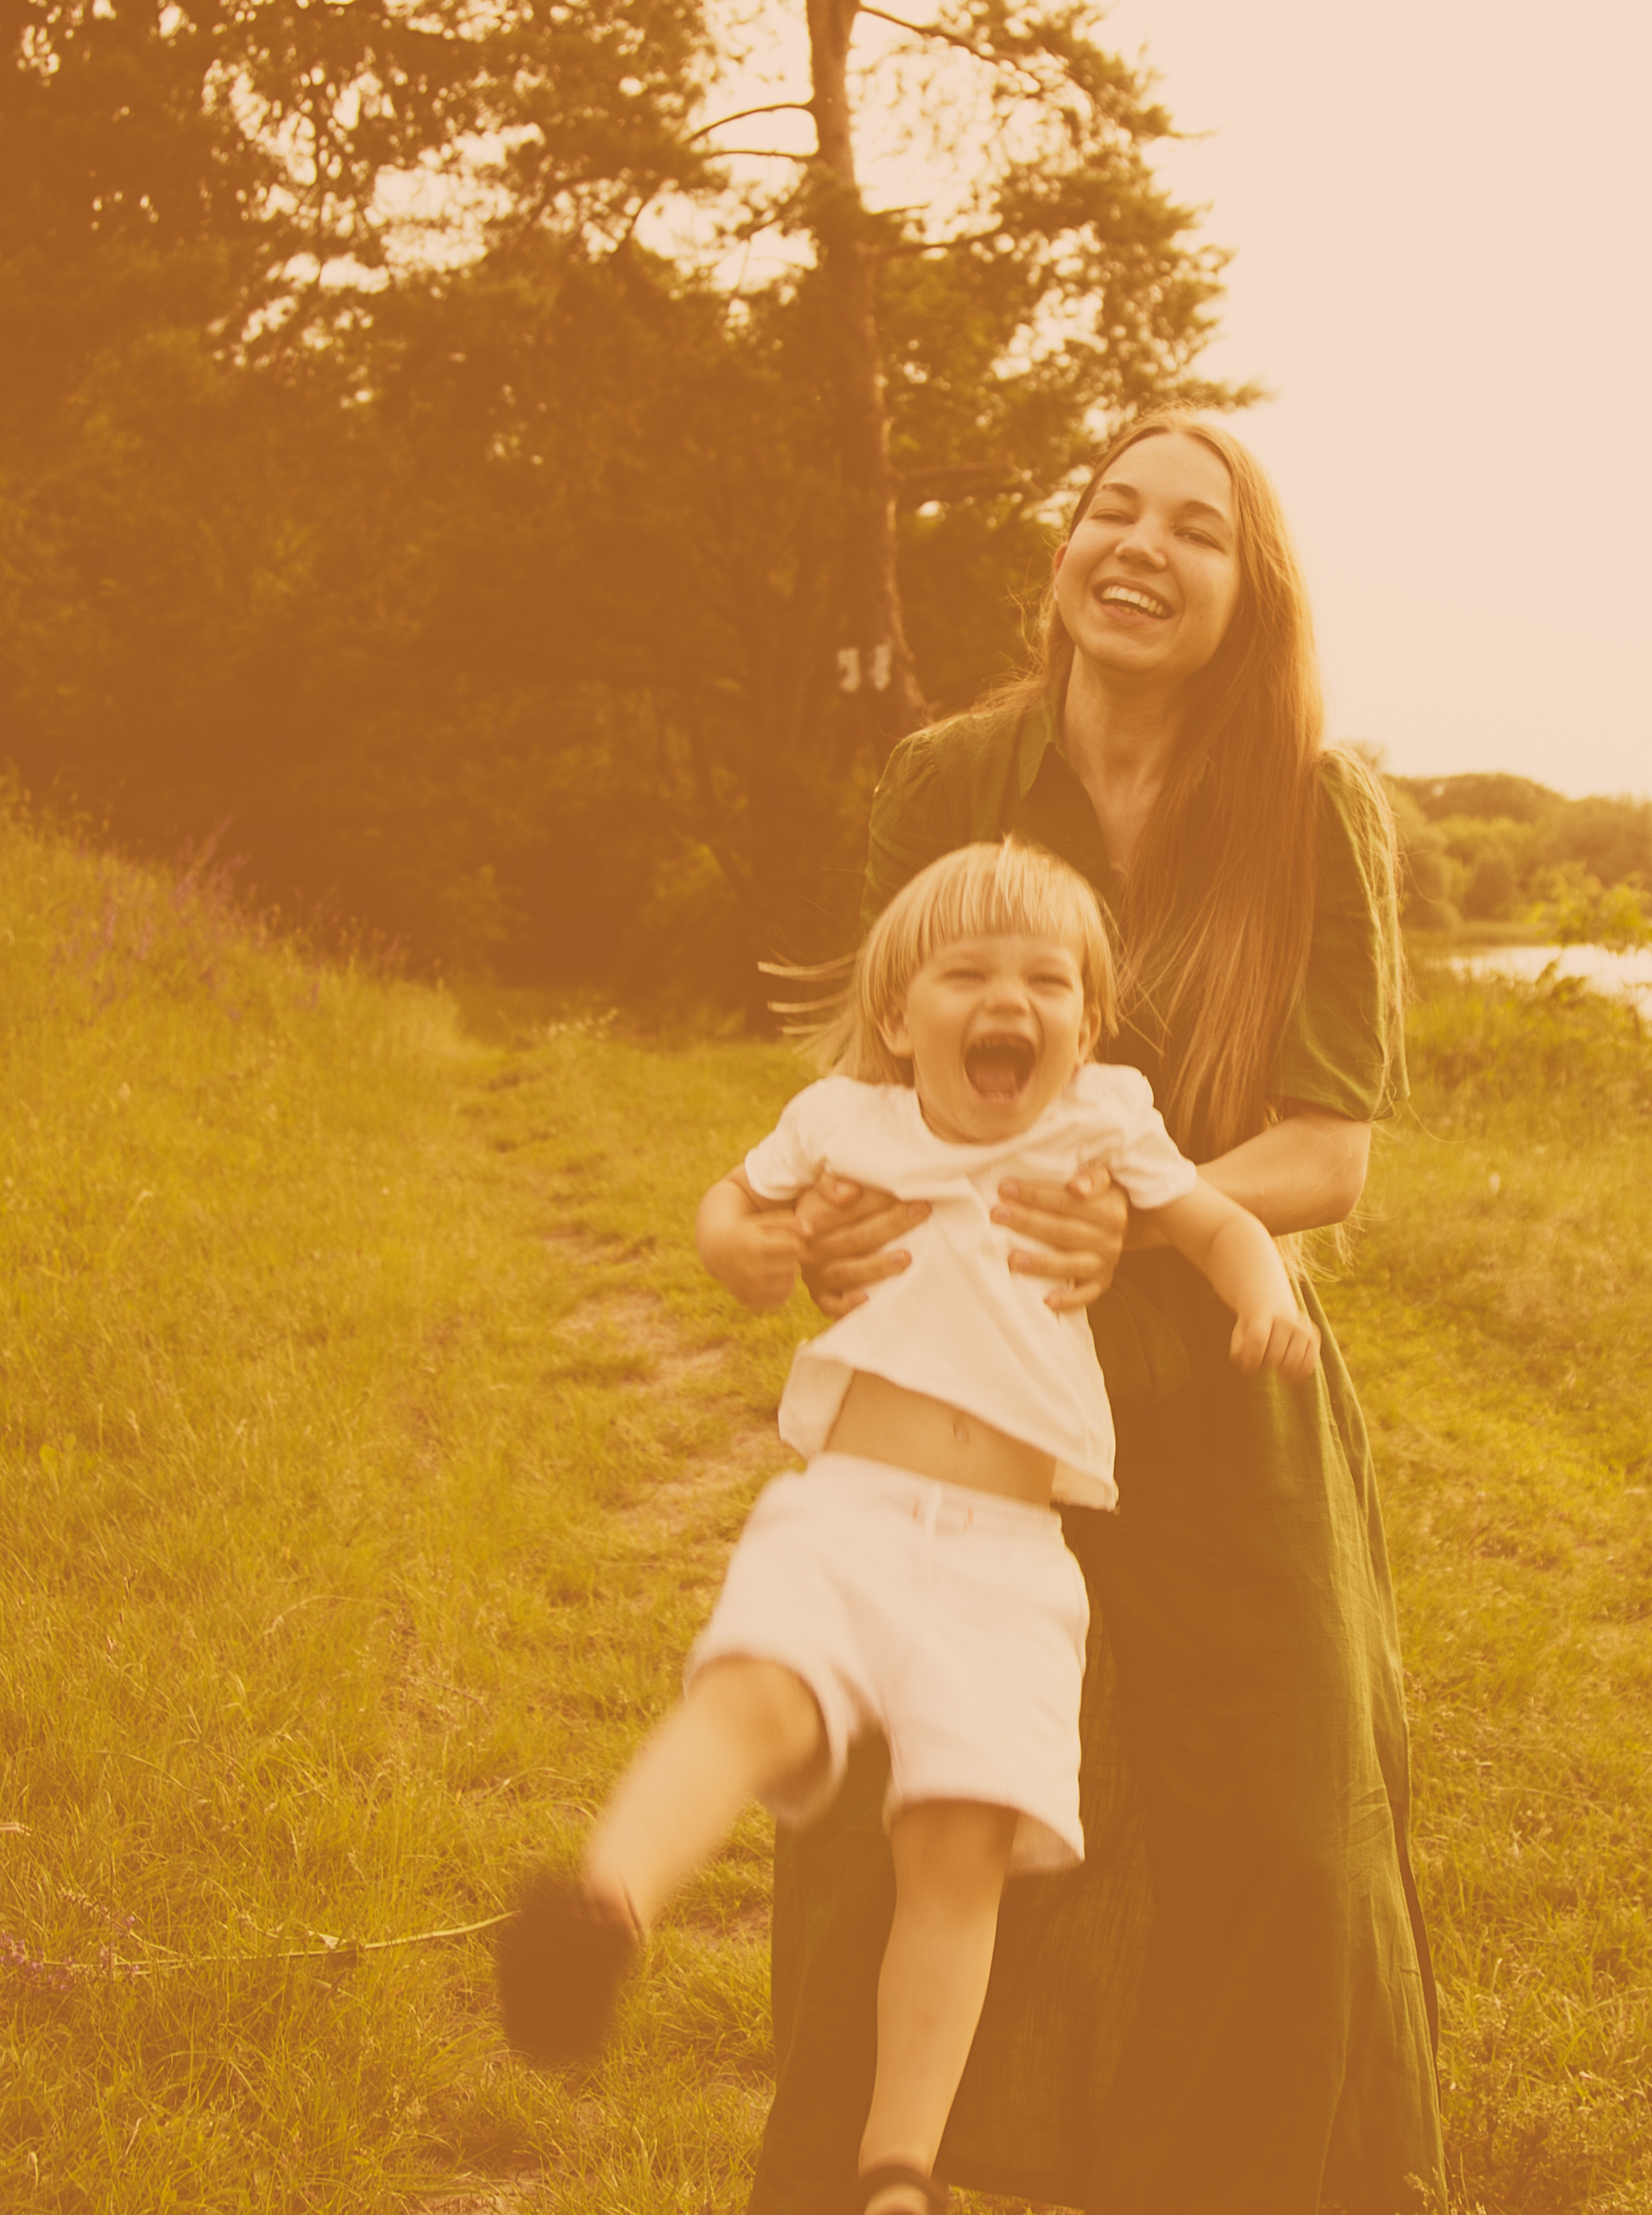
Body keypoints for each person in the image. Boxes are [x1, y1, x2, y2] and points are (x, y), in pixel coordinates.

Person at [704, 410, 1445, 2213]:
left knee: (1276, 1835)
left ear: (1247, 596)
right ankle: (864, 2187)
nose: (1142, 545)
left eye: (1196, 530)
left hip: (1216, 1374)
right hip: (959, 1390)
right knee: (891, 1833)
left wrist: (1136, 1211)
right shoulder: (950, 775)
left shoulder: (1311, 806)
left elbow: (1328, 1157)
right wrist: (826, 1224)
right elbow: (886, 1057)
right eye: (1113, 509)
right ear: (1062, 564)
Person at [493, 840, 1317, 2215]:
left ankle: (898, 2170)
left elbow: (1221, 1219)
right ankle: (600, 1908)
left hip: (1012, 1559)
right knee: (755, 1694)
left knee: (960, 1846)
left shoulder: (1107, 1120)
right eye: (969, 975)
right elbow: (728, 1204)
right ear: (898, 1018)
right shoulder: (842, 1121)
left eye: (1049, 980)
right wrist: (738, 1250)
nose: (1014, 1000)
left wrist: (1259, 1296)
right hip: (848, 1515)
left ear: (1088, 1026)